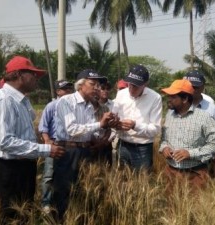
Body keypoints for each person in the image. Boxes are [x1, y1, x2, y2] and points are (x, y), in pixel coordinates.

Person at [0, 56, 65, 224]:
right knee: (6, 218)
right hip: (6, 171)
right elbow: (5, 142)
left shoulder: (20, 101)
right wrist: (46, 149)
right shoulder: (4, 101)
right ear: (19, 75)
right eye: (33, 74)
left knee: (22, 217)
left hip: (21, 169)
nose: (36, 78)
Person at [53, 69, 118, 222]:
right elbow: (72, 129)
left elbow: (90, 131)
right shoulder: (66, 101)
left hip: (86, 150)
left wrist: (105, 128)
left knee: (82, 189)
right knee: (65, 191)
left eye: (98, 85)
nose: (96, 87)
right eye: (92, 84)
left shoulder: (89, 105)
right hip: (69, 151)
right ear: (80, 85)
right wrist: (99, 124)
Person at [159, 79, 215, 189]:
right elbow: (164, 139)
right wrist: (164, 148)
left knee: (195, 206)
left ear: (185, 99)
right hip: (171, 173)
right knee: (171, 205)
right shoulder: (169, 116)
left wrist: (191, 153)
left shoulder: (204, 117)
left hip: (195, 175)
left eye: (173, 97)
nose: (169, 100)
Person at [112, 64, 162, 172]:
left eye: (136, 86)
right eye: (130, 84)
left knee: (141, 183)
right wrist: (115, 123)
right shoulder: (121, 94)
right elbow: (114, 116)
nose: (131, 88)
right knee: (122, 180)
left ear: (145, 84)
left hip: (142, 148)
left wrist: (135, 125)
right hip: (123, 144)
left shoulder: (155, 98)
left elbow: (156, 129)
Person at [38, 80, 74, 213]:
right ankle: (46, 203)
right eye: (65, 89)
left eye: (70, 88)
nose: (68, 91)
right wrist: (47, 141)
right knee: (49, 175)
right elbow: (43, 127)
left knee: (66, 174)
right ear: (58, 92)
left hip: (70, 145)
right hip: (54, 143)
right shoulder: (51, 106)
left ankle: (63, 201)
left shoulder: (74, 106)